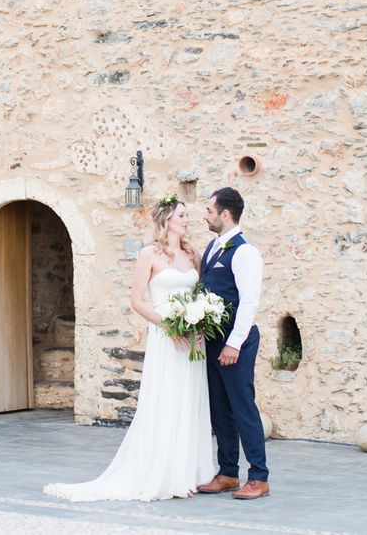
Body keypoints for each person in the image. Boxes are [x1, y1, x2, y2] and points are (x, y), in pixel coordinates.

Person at [44, 197, 215, 502]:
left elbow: (201, 294)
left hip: (192, 340)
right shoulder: (149, 254)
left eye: (188, 215)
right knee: (166, 401)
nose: (188, 219)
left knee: (190, 400)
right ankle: (164, 473)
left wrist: (198, 325)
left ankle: (188, 472)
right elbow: (137, 301)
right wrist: (169, 326)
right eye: (182, 215)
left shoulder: (193, 255)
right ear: (167, 219)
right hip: (166, 337)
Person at [197, 187, 270, 499]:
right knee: (219, 409)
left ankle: (259, 477)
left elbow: (249, 302)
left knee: (242, 407)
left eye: (210, 211)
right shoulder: (213, 246)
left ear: (225, 214)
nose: (206, 215)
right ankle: (227, 472)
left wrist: (234, 344)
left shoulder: (245, 252)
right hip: (213, 341)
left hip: (235, 342)